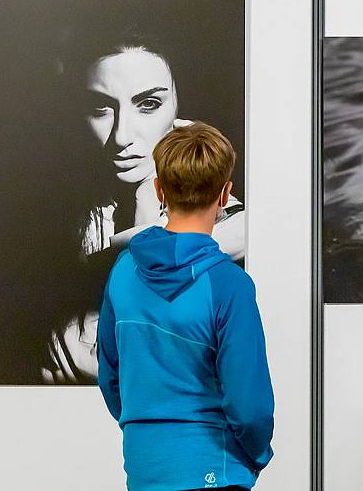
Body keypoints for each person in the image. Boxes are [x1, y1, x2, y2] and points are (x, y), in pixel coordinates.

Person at [41, 24, 245, 383]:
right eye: (100, 107)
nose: (122, 136)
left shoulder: (231, 222)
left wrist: (147, 209)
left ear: (179, 113)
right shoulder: (47, 213)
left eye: (148, 104)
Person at [97, 121, 273, 491]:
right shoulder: (229, 285)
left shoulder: (123, 271)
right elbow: (250, 405)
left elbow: (111, 378)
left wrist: (148, 433)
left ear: (159, 189)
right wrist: (256, 457)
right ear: (225, 194)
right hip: (214, 468)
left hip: (144, 468)